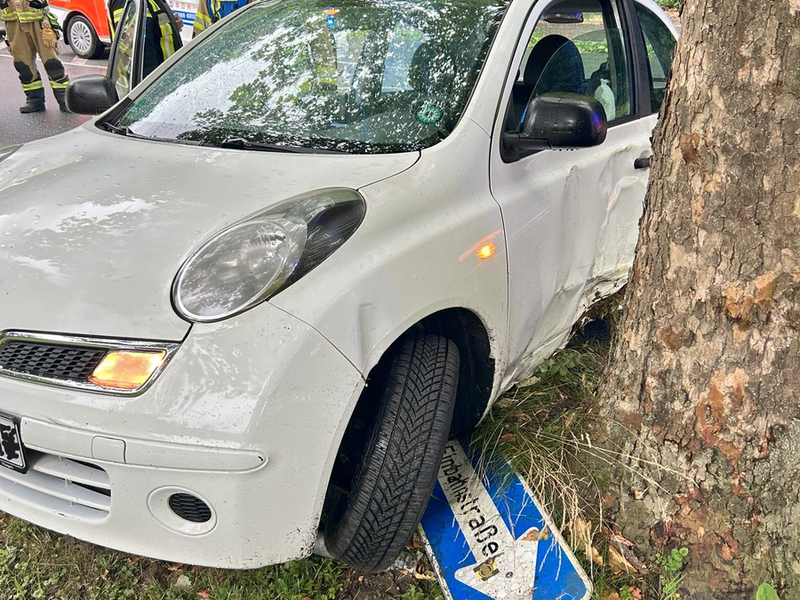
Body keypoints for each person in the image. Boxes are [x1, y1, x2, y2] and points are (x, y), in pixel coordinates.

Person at [0, 0, 69, 113]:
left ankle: (65, 100)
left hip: (39, 21)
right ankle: (35, 101)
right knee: (23, 65)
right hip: (13, 22)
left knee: (52, 63)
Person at [108, 0, 181, 79]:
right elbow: (142, 55)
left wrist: (171, 24)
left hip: (168, 74)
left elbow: (152, 27)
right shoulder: (126, 2)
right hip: (157, 81)